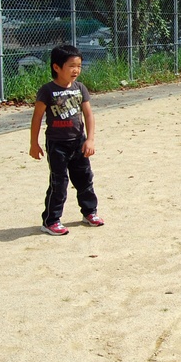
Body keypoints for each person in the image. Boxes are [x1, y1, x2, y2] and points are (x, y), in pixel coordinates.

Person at [29, 44, 104, 236]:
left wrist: (90, 140)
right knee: (59, 182)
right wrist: (34, 143)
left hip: (78, 141)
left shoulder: (80, 88)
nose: (76, 70)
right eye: (71, 66)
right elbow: (37, 117)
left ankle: (89, 212)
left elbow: (88, 115)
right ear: (56, 67)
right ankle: (51, 220)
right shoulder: (47, 91)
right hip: (57, 144)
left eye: (79, 66)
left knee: (85, 178)